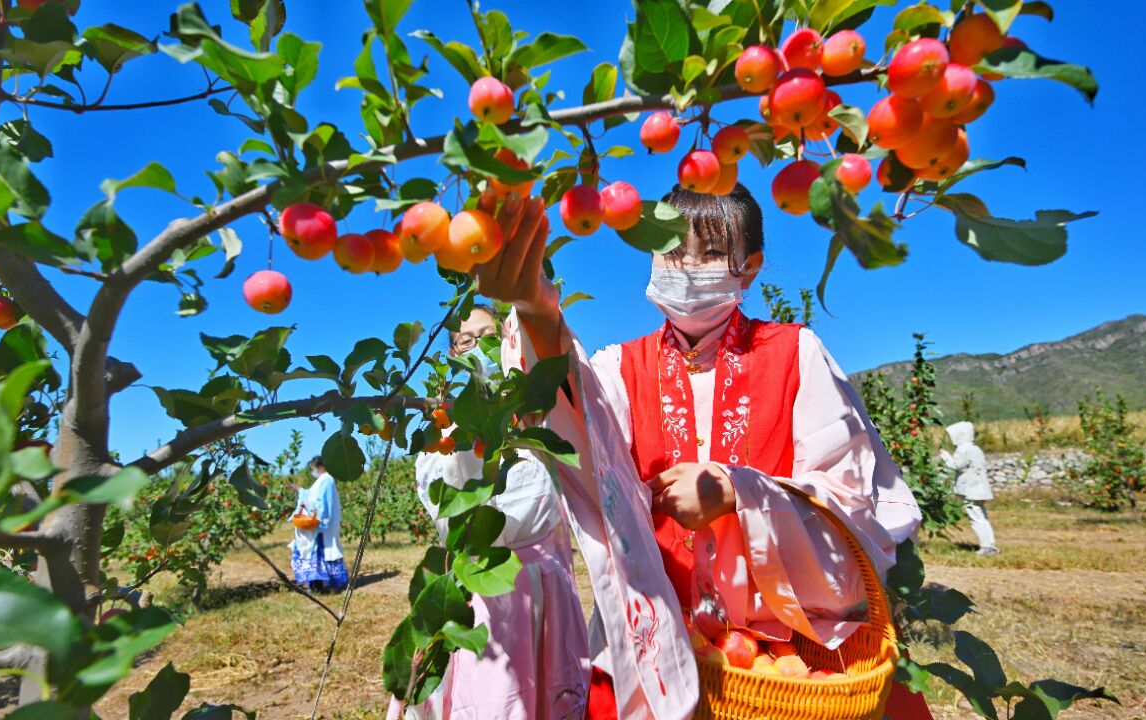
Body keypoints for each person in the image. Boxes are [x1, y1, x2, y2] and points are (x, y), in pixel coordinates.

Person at [473, 185, 932, 719]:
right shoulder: (620, 368)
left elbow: (860, 508)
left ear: (750, 265)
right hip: (657, 650)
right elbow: (576, 423)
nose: (687, 266)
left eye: (712, 253)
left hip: (783, 663)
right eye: (670, 249)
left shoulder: (796, 355)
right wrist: (533, 304)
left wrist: (742, 492)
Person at [389, 304, 590, 719]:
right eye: (467, 340)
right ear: (451, 354)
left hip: (546, 597)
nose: (479, 348)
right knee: (492, 702)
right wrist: (466, 436)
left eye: (489, 337)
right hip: (482, 600)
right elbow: (453, 522)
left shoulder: (537, 418)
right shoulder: (444, 433)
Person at [289, 456, 348, 592]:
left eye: (313, 469)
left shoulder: (327, 480)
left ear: (320, 467)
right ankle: (317, 584)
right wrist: (299, 490)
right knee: (317, 552)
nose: (313, 472)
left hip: (321, 524)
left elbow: (323, 502)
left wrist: (321, 520)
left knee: (320, 552)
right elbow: (311, 496)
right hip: (318, 523)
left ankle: (320, 584)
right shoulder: (322, 481)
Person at [940, 421, 999, 557]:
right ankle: (990, 544)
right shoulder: (975, 448)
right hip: (979, 488)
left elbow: (955, 465)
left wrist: (945, 455)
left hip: (970, 490)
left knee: (976, 518)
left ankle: (986, 547)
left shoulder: (963, 449)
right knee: (982, 517)